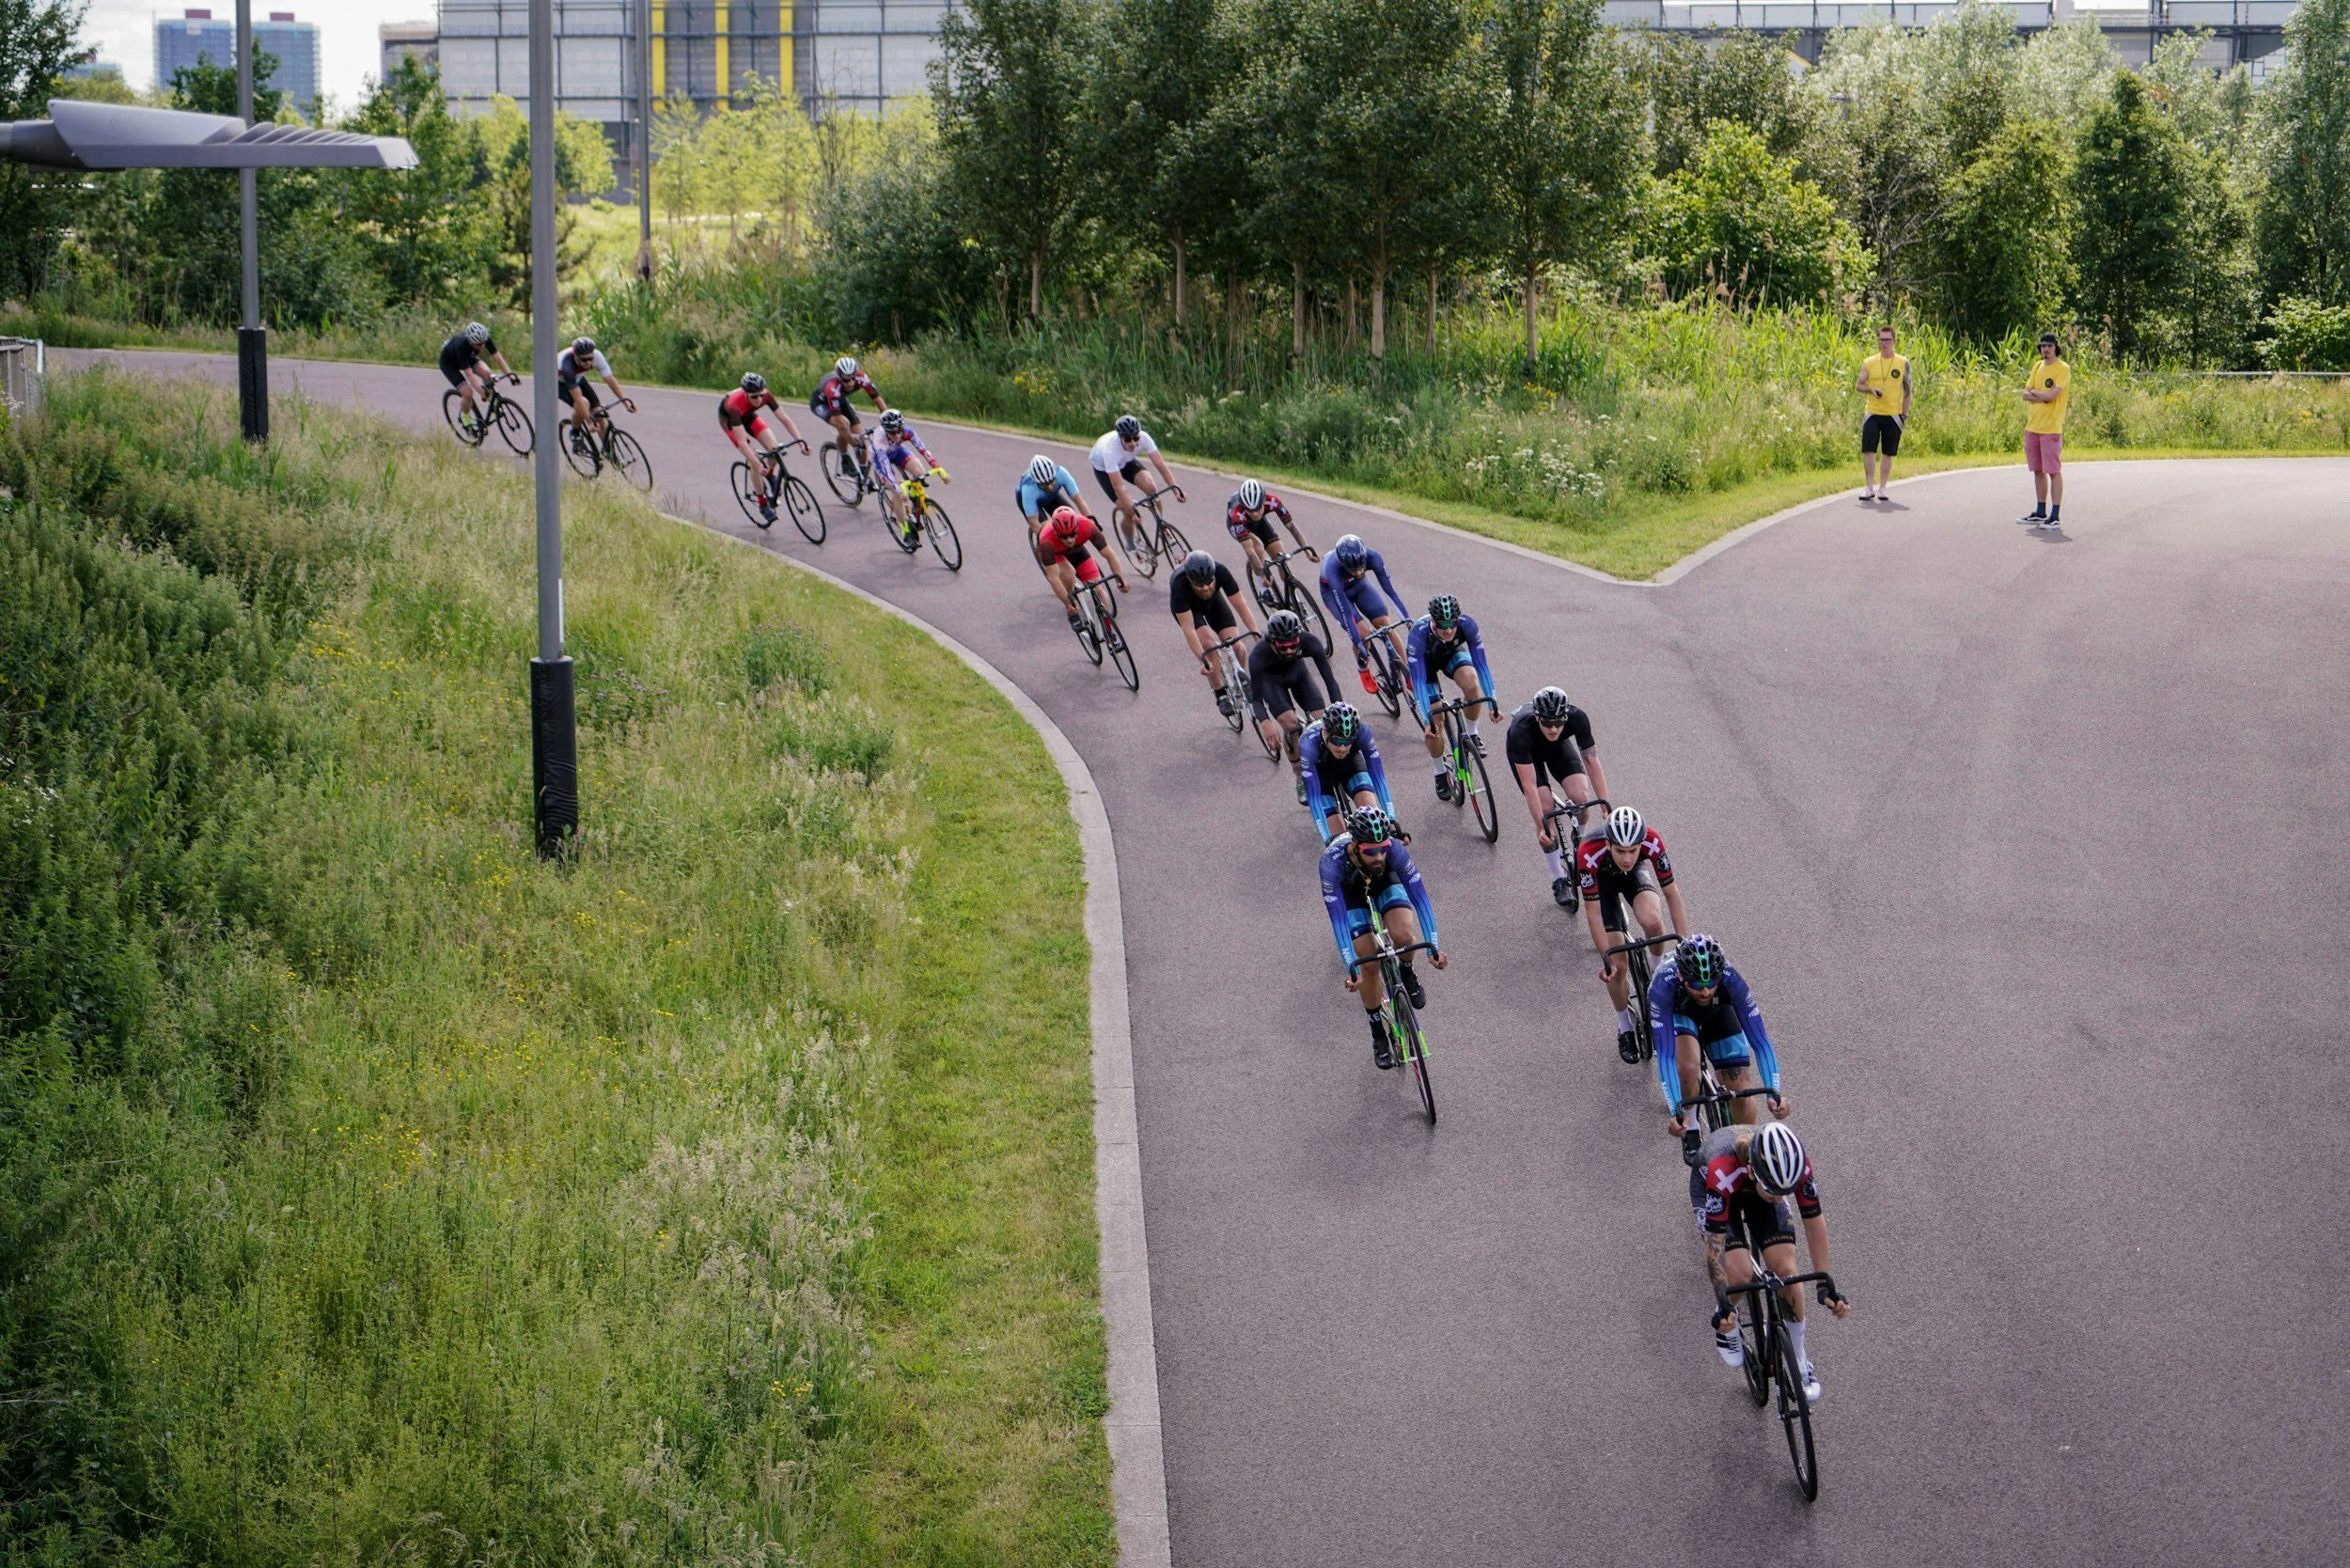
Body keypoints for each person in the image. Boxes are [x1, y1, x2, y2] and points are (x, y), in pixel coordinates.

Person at [1691, 1120, 1850, 1403]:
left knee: (1787, 1272)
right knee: (1739, 1276)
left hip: (1758, 1188)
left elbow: (1814, 1223)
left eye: (1784, 1192)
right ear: (1752, 1171)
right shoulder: (1720, 1171)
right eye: (1776, 1191)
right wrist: (1724, 1300)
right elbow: (1714, 1246)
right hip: (1715, 1190)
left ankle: (1800, 1360)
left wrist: (1825, 1284)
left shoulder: (1796, 1167)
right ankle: (1728, 1316)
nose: (1781, 1198)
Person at [1317, 808, 1447, 1071]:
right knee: (1368, 963)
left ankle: (1407, 972)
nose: (1378, 856)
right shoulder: (1331, 863)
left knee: (1404, 935)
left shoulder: (1394, 852)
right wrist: (1350, 967)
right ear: (1355, 846)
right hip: (1349, 889)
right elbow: (1339, 922)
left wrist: (1434, 946)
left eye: (1382, 848)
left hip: (1384, 882)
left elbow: (1421, 899)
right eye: (1370, 851)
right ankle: (1378, 1033)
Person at [1652, 933, 1784, 1155]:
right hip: (1679, 1012)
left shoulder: (1731, 979)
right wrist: (1676, 1108)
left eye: (1711, 983)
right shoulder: (1663, 986)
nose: (1705, 991)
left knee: (1741, 1087)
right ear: (1681, 975)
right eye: (1696, 984)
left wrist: (1775, 1093)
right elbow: (1665, 1056)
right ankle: (1692, 1126)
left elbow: (1761, 1043)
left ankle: (1747, 1149)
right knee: (1688, 1068)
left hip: (1718, 1011)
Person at [1580, 805, 1691, 1063]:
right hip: (1603, 887)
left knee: (1653, 922)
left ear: (1641, 842)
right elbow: (1593, 914)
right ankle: (1625, 1027)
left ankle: (1657, 973)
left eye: (1633, 850)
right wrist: (1605, 959)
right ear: (1608, 844)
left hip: (1633, 880)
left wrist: (1684, 943)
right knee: (1618, 966)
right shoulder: (1588, 853)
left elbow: (1672, 894)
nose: (1627, 857)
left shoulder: (1652, 840)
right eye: (1620, 851)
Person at [1505, 686, 1611, 909]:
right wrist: (1540, 824)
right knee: (1546, 811)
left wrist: (1605, 806)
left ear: (1566, 716)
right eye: (1547, 723)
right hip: (1528, 754)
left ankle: (1579, 844)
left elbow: (1591, 762)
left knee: (1582, 798)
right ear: (1537, 717)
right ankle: (1558, 878)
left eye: (1558, 723)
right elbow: (1530, 786)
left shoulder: (1577, 718)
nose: (1553, 728)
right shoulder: (1520, 730)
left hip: (1557, 750)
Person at [1405, 594, 1502, 803]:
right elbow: (1419, 682)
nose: (1448, 630)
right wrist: (1427, 718)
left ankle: (1472, 734)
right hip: (1426, 668)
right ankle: (1440, 773)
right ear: (1433, 622)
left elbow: (1482, 665)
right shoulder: (1418, 636)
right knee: (1435, 726)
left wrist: (1492, 702)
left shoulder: (1467, 625)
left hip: (1451, 654)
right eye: (1442, 625)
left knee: (1472, 685)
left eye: (1452, 624)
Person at [1248, 609, 1341, 792]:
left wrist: (1339, 707)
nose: (1290, 650)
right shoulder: (1258, 656)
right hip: (1271, 682)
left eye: (1293, 645)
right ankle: (1300, 776)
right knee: (1291, 725)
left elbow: (1330, 681)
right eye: (1283, 647)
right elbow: (1256, 699)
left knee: (1322, 719)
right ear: (1272, 642)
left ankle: (1329, 761)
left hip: (1298, 675)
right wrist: (1266, 723)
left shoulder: (1310, 641)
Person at [1169, 549, 1263, 713]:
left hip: (1214, 603)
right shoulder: (1179, 585)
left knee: (1238, 647)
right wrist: (1203, 659)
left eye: (1209, 582)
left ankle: (1239, 679)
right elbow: (1189, 629)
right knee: (1209, 645)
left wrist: (1256, 634)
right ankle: (1220, 693)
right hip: (1191, 610)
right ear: (1190, 581)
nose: (1205, 588)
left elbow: (1240, 605)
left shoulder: (1221, 572)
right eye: (1199, 585)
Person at [1316, 534, 1409, 697]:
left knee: (1386, 625)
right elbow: (1346, 613)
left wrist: (1408, 621)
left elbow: (1390, 592)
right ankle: (1363, 668)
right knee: (1362, 633)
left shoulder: (1373, 557)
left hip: (1360, 587)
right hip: (1335, 594)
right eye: (1353, 569)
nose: (1359, 571)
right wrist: (1358, 644)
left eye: (1361, 567)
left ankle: (1408, 673)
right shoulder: (1332, 570)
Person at [718, 372, 812, 523]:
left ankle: (769, 474)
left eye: (761, 395)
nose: (759, 399)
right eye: (754, 397)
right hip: (731, 420)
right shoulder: (734, 405)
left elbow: (785, 419)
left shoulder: (766, 395)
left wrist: (800, 442)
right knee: (754, 460)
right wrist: (756, 463)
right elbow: (742, 442)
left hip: (748, 416)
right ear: (746, 394)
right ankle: (762, 504)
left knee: (775, 450)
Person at [1299, 701, 1395, 843]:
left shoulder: (1362, 732)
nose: (1343, 748)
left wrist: (1391, 820)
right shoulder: (1308, 745)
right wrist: (1327, 839)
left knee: (1372, 820)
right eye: (1337, 742)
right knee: (1340, 841)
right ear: (1325, 733)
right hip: (1321, 775)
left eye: (1348, 741)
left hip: (1350, 766)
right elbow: (1314, 799)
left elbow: (1378, 777)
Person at [1036, 505, 1134, 632]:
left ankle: (1109, 630)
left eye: (1072, 534)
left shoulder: (1087, 526)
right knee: (1068, 573)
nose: (1069, 539)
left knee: (1098, 588)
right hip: (1056, 553)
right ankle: (1073, 608)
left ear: (1077, 528)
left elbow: (1109, 554)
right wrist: (1068, 604)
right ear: (1056, 532)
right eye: (1064, 536)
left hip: (1077, 550)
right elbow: (1053, 578)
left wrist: (1120, 580)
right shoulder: (1046, 542)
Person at [1090, 415, 1185, 537]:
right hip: (1103, 468)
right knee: (1128, 513)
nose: (1133, 443)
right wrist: (1132, 511)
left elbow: (1160, 465)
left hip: (1125, 461)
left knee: (1151, 487)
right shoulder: (1110, 450)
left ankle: (1161, 523)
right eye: (1128, 439)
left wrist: (1175, 490)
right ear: (1120, 438)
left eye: (1136, 438)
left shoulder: (1144, 438)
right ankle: (1131, 546)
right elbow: (1118, 487)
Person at [2019, 332, 2071, 529]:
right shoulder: (2037, 366)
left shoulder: (2063, 369)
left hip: (2051, 427)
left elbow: (2052, 396)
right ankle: (2040, 511)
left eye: (2049, 346)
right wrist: (2041, 395)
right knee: (2037, 470)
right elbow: (2025, 393)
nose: (2045, 349)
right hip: (2033, 426)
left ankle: (2055, 515)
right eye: (2042, 346)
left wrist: (2037, 393)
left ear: (2056, 347)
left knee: (2053, 471)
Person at [1223, 478, 1318, 586]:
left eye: (1258, 508)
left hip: (1260, 523)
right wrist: (1263, 574)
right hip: (1238, 525)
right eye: (1250, 510)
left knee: (1280, 555)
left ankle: (1293, 594)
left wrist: (1307, 552)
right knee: (1257, 547)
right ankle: (1263, 591)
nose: (1254, 514)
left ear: (1263, 501)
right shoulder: (1237, 515)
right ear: (1244, 507)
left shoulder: (1273, 501)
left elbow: (1291, 526)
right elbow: (1249, 551)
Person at [871, 409, 949, 540]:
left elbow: (924, 450)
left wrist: (939, 469)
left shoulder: (907, 432)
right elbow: (888, 471)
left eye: (898, 431)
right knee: (897, 493)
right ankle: (905, 529)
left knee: (920, 473)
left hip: (897, 451)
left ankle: (914, 499)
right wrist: (899, 490)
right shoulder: (880, 442)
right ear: (885, 431)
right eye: (892, 433)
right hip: (880, 460)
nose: (896, 436)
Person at [1854, 324, 1910, 502]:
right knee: (1868, 450)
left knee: (1888, 452)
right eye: (1881, 340)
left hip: (1893, 413)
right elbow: (1858, 385)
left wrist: (1904, 414)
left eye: (1887, 340)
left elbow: (1908, 390)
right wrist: (1870, 389)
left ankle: (1883, 488)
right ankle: (1869, 487)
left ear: (1894, 341)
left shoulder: (1903, 362)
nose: (1884, 343)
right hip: (1873, 412)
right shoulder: (1869, 362)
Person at [809, 354, 888, 478]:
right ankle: (844, 458)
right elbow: (839, 421)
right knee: (844, 424)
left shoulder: (862, 378)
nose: (850, 383)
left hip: (839, 399)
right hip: (821, 403)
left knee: (861, 437)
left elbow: (877, 400)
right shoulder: (832, 387)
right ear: (839, 377)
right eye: (846, 380)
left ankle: (863, 475)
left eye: (852, 379)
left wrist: (888, 420)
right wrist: (854, 444)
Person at [1016, 453, 1097, 563]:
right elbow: (1034, 523)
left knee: (1070, 521)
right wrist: (1047, 543)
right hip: (1030, 501)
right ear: (1036, 483)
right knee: (1047, 533)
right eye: (1045, 485)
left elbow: (1079, 501)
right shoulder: (1028, 489)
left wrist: (1091, 522)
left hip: (1052, 497)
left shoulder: (1061, 473)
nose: (1049, 487)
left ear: (1055, 476)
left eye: (1051, 482)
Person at [555, 336, 635, 445]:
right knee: (584, 403)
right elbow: (578, 399)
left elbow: (610, 380)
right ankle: (575, 431)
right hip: (559, 383)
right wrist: (589, 422)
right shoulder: (566, 365)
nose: (588, 362)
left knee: (599, 414)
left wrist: (625, 403)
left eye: (590, 358)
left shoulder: (597, 355)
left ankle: (608, 453)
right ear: (576, 356)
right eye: (584, 359)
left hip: (578, 378)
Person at [438, 321, 516, 427]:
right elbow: (470, 376)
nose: (483, 346)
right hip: (449, 363)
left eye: (484, 343)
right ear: (471, 342)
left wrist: (510, 376)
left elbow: (498, 358)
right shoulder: (461, 346)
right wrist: (481, 393)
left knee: (487, 373)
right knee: (468, 393)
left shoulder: (483, 339)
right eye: (479, 345)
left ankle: (492, 404)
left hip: (467, 357)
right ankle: (465, 419)